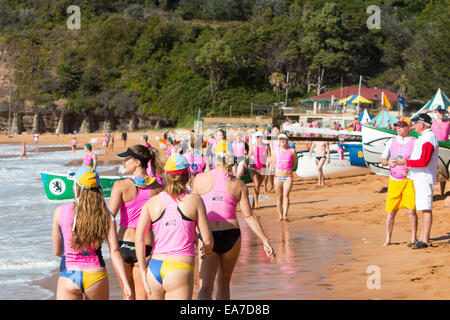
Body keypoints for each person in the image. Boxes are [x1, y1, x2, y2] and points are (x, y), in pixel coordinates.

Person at [194, 141, 276, 300]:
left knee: (205, 286)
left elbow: (192, 212)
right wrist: (265, 240)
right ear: (232, 159)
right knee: (224, 283)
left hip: (207, 235)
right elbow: (249, 215)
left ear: (214, 157)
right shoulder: (239, 184)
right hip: (231, 234)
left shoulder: (200, 179)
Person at [135, 153, 213, 300]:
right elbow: (207, 239)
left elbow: (139, 238)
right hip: (179, 267)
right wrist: (207, 252)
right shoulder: (195, 201)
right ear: (188, 175)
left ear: (165, 175)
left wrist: (143, 271)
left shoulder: (152, 202)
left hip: (155, 267)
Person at [51, 166, 132, 300]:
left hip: (69, 274)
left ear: (76, 186)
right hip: (95, 274)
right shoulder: (105, 215)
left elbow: (57, 250)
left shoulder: (60, 212)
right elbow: (115, 251)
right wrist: (125, 283)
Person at [108, 145, 164, 300]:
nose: (124, 162)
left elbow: (110, 217)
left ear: (138, 162)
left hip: (123, 243)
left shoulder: (120, 186)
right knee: (143, 296)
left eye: (127, 159)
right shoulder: (159, 188)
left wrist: (112, 247)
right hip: (146, 244)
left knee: (128, 295)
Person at [395, 113, 439, 249]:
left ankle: (425, 239)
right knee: (423, 207)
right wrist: (410, 167)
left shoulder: (428, 138)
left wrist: (406, 162)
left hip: (424, 177)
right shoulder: (424, 137)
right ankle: (422, 237)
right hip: (420, 176)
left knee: (426, 208)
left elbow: (424, 161)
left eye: (416, 123)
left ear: (422, 124)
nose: (414, 126)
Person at [379, 117, 417, 247]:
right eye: (397, 126)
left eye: (401, 126)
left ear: (408, 128)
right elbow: (383, 158)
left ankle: (413, 237)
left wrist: (410, 168)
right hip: (394, 180)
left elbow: (417, 160)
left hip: (409, 180)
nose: (398, 128)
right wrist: (387, 162)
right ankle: (388, 238)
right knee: (391, 211)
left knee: (411, 210)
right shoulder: (391, 141)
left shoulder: (414, 141)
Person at [274, 134, 297, 221]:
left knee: (286, 195)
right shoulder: (275, 151)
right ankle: (280, 215)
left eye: (284, 139)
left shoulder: (292, 151)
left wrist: (289, 169)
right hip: (277, 176)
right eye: (280, 139)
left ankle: (285, 215)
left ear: (287, 140)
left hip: (288, 176)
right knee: (279, 196)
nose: (282, 140)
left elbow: (295, 163)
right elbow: (273, 163)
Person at [248, 131, 271, 209]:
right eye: (257, 137)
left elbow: (269, 157)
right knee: (256, 184)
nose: (258, 139)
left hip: (263, 168)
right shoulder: (253, 146)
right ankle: (256, 204)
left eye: (260, 137)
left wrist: (269, 167)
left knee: (258, 186)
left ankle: (254, 202)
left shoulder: (266, 146)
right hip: (253, 167)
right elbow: (248, 156)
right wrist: (247, 165)